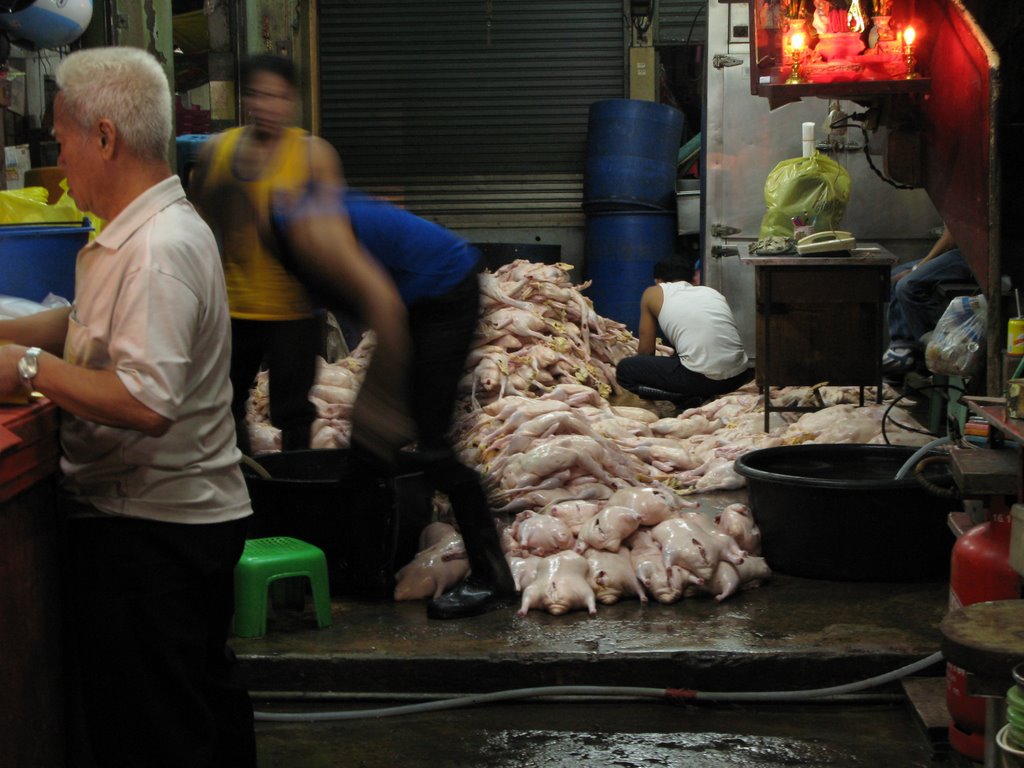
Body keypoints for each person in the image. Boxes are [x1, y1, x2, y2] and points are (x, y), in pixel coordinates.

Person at [0, 47, 256, 767]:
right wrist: (15, 335)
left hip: (154, 531)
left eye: (62, 139)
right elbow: (90, 330)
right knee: (192, 707)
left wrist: (26, 369)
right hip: (164, 522)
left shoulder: (157, 249)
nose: (59, 158)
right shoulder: (137, 233)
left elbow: (147, 400)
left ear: (105, 136)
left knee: (157, 733)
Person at [268, 183, 517, 620]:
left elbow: (384, 308)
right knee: (366, 447)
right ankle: (365, 570)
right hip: (415, 299)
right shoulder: (287, 229)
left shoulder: (308, 230)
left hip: (445, 292)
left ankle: (492, 576)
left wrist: (383, 402)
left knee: (432, 444)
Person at [190, 54, 345, 454]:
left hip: (294, 309)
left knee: (292, 411)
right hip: (234, 307)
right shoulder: (217, 152)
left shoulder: (314, 155)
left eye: (277, 96)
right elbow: (195, 226)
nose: (266, 106)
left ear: (292, 100)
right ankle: (240, 483)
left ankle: (295, 487)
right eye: (258, 95)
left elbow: (335, 229)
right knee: (224, 402)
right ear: (245, 99)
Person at [615, 257, 753, 407]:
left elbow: (646, 351)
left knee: (625, 369)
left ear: (657, 280)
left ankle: (685, 397)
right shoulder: (710, 292)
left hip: (704, 379)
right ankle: (697, 391)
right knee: (681, 355)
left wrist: (644, 368)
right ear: (693, 279)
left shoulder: (652, 293)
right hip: (739, 376)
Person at [881, 225, 973, 376]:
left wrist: (917, 268)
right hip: (960, 250)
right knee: (896, 275)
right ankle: (902, 347)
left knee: (908, 285)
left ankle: (931, 355)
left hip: (973, 255)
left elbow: (951, 237)